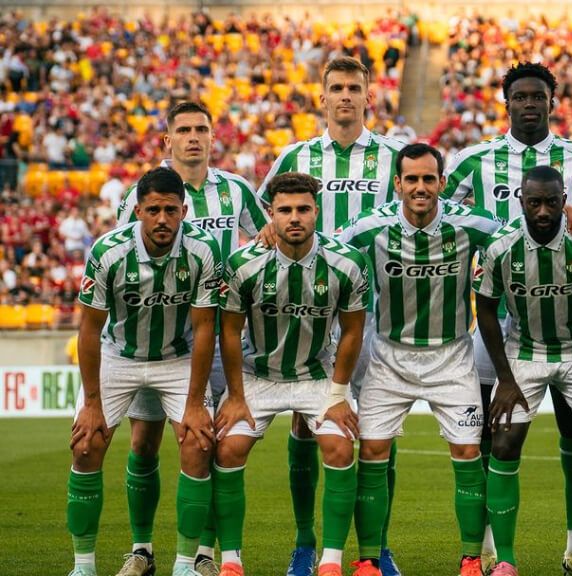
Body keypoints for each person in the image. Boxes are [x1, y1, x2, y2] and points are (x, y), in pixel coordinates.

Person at [443, 62, 572, 575]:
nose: (529, 104)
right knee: (495, 435)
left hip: (570, 320)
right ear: (505, 102)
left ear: (552, 102)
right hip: (500, 325)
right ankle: (488, 550)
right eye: (520, 96)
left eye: (538, 96)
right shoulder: (474, 161)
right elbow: (440, 219)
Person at [258, 56, 407, 576]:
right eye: (336, 88)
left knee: (376, 431)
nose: (345, 95)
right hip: (303, 316)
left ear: (369, 95)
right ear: (321, 97)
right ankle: (305, 543)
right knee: (304, 425)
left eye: (354, 88)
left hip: (374, 313)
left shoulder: (393, 158)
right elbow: (266, 221)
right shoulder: (295, 156)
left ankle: (377, 547)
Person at [112, 100, 268, 576]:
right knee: (143, 441)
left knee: (207, 443)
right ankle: (141, 549)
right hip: (159, 335)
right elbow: (123, 257)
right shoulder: (145, 193)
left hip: (219, 335)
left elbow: (269, 238)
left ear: (213, 137)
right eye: (184, 130)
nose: (194, 137)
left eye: (202, 128)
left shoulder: (237, 190)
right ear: (168, 140)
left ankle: (202, 552)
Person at [337, 143, 499, 576]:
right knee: (372, 450)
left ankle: (470, 559)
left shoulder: (472, 226)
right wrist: (272, 233)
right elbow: (326, 251)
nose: (421, 187)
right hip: (389, 358)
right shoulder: (371, 227)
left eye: (429, 179)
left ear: (443, 183)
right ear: (398, 184)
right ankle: (368, 559)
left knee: (467, 450)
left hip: (452, 357)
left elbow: (520, 235)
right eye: (412, 179)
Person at [66, 167, 222, 576]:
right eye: (153, 210)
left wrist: (193, 404)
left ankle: (185, 565)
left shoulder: (203, 251)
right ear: (137, 210)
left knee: (198, 443)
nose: (162, 219)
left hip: (176, 358)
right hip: (119, 357)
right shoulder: (107, 251)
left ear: (184, 211)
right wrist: (93, 405)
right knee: (86, 444)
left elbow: (206, 327)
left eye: (171, 210)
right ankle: (83, 567)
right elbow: (89, 328)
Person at [212, 172, 370, 576]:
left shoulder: (346, 262)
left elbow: (353, 331)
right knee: (228, 449)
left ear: (316, 211)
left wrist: (338, 394)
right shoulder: (243, 265)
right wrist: (235, 394)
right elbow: (228, 332)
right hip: (257, 375)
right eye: (284, 210)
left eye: (303, 209)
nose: (294, 217)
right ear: (271, 214)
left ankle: (330, 562)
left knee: (339, 448)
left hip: (318, 376)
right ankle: (230, 560)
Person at [473, 166, 572, 576]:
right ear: (521, 200)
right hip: (522, 353)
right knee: (503, 443)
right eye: (534, 202)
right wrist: (504, 379)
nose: (543, 210)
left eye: (552, 202)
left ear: (565, 201)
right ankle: (504, 559)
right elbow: (485, 310)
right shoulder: (499, 246)